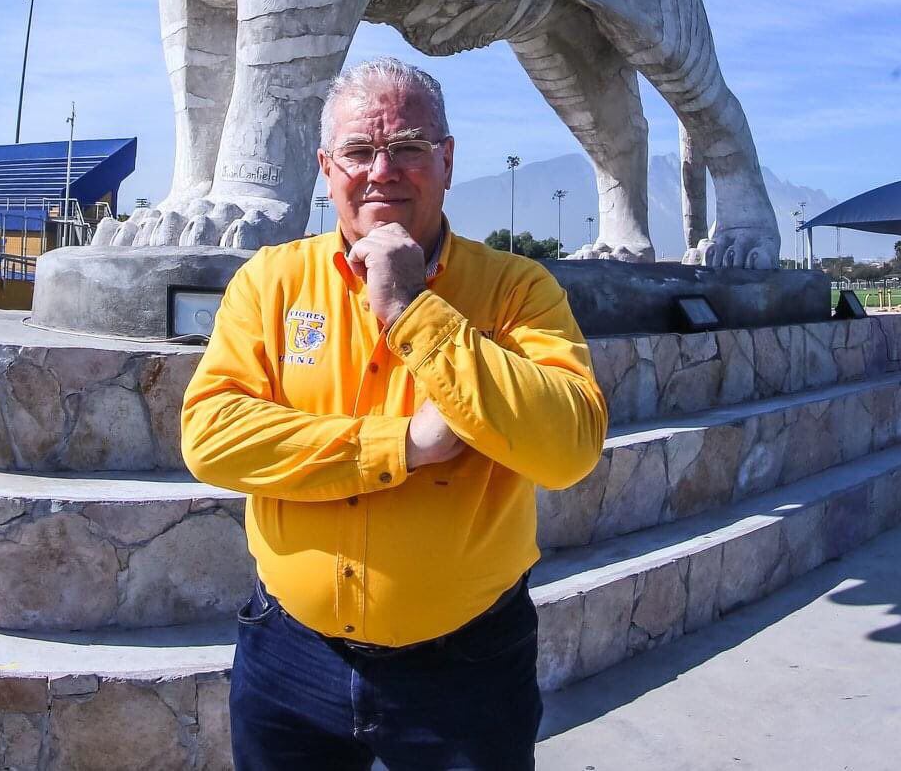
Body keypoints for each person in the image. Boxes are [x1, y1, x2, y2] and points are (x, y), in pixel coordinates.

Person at [181, 57, 608, 769]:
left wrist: (413, 309)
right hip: (287, 657)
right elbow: (211, 436)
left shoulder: (517, 289)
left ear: (446, 162)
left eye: (408, 146)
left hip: (466, 668)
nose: (381, 171)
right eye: (358, 150)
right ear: (326, 168)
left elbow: (568, 448)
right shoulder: (271, 281)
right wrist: (402, 445)